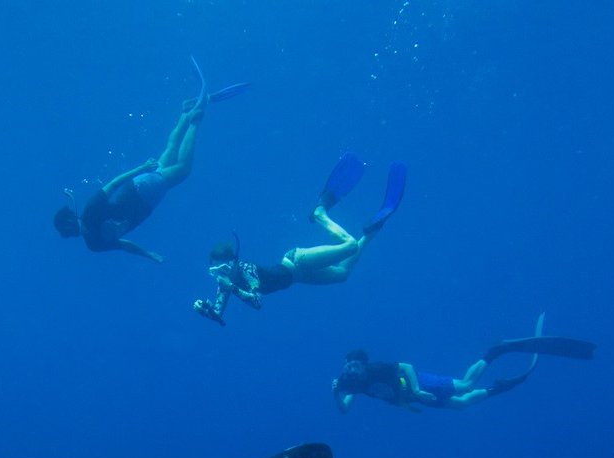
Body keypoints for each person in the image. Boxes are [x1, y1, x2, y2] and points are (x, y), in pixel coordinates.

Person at [53, 60, 248, 263]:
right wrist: (148, 254)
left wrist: (141, 168)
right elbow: (123, 245)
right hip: (146, 199)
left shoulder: (91, 212)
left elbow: (113, 183)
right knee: (169, 153)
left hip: (141, 191)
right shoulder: (94, 244)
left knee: (183, 169)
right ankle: (185, 111)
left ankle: (195, 120)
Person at [193, 153, 407, 324]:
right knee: (342, 274)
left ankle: (319, 214)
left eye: (222, 268)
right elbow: (219, 311)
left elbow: (257, 301)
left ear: (233, 262)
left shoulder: (245, 270)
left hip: (297, 261)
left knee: (349, 246)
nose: (219, 273)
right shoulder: (225, 283)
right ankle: (372, 233)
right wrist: (207, 309)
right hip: (298, 277)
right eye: (214, 270)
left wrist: (232, 288)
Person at [332, 315, 596, 412]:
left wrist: (416, 389)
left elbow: (406, 366)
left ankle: (496, 351)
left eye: (356, 366)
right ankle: (499, 388)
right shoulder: (348, 383)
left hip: (418, 386)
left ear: (362, 365)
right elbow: (345, 408)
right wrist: (336, 393)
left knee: (465, 385)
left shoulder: (376, 368)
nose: (352, 370)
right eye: (349, 366)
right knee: (461, 405)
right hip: (412, 399)